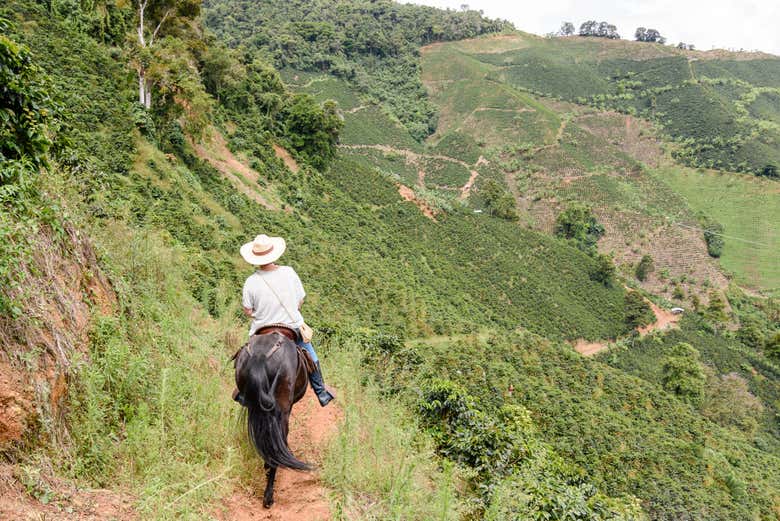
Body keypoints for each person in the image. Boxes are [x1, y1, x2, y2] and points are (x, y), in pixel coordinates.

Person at [234, 233, 334, 407]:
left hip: (261, 330)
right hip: (291, 327)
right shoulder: (289, 272)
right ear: (274, 253)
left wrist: (260, 311)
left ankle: (242, 392)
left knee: (246, 355)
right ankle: (321, 392)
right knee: (310, 354)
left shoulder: (251, 281)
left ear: (255, 258)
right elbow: (300, 301)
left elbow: (248, 311)